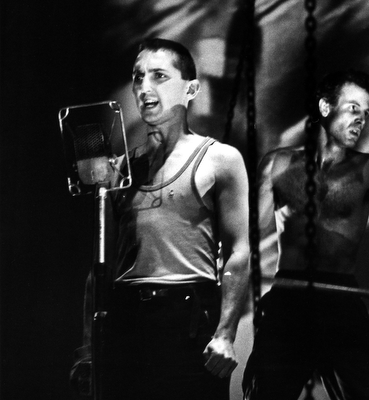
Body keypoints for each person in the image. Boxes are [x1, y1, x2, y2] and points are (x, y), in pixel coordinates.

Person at [70, 38, 250, 400]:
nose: (144, 87)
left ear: (191, 89)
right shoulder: (120, 171)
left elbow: (239, 252)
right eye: (138, 77)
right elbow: (99, 269)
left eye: (159, 76)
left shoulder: (220, 160)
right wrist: (89, 350)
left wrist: (225, 333)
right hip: (126, 323)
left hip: (188, 321)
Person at [242, 70, 369, 400]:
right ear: (325, 107)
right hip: (289, 298)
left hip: (341, 300)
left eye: (366, 113)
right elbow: (248, 235)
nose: (361, 120)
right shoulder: (278, 164)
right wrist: (226, 256)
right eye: (353, 108)